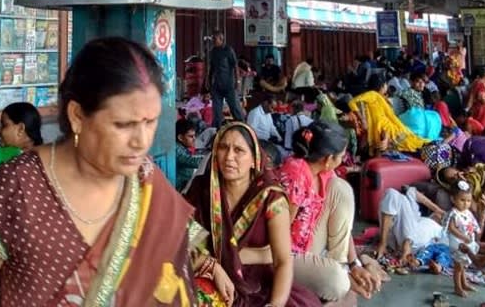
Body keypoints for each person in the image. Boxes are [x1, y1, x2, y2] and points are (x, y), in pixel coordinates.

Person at [0, 37, 199, 306]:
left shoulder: (148, 185)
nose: (141, 141)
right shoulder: (16, 188)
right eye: (123, 125)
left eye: (150, 122)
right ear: (77, 115)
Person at [185, 122, 320, 307]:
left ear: (254, 159)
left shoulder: (271, 197)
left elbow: (283, 261)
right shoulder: (202, 189)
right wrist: (213, 267)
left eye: (239, 150)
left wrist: (275, 304)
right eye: (223, 147)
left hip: (255, 283)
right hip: (207, 272)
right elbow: (187, 238)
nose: (229, 157)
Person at [273, 120, 383, 301]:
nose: (343, 159)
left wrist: (354, 264)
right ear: (328, 159)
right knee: (337, 283)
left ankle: (340, 267)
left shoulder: (323, 172)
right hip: (285, 253)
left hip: (305, 241)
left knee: (342, 189)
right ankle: (337, 274)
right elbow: (279, 237)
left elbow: (344, 228)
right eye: (341, 155)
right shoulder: (296, 176)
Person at [349, 75, 428, 155]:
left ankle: (423, 146)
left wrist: (403, 128)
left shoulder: (379, 97)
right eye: (386, 84)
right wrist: (362, 119)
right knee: (409, 140)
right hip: (384, 127)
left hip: (386, 127)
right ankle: (424, 147)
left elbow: (391, 116)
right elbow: (351, 102)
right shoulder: (373, 94)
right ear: (382, 86)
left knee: (409, 139)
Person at [373, 185, 445, 265]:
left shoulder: (438, 228)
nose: (439, 215)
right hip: (394, 239)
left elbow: (440, 249)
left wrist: (407, 244)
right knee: (391, 194)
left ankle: (386, 244)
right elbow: (412, 192)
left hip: (411, 243)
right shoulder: (416, 215)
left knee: (392, 193)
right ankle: (384, 243)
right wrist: (438, 209)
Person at [442, 183, 480, 297]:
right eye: (462, 200)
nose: (465, 203)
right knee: (458, 267)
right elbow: (451, 228)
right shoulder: (453, 213)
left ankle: (464, 283)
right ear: (453, 199)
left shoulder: (468, 212)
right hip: (458, 244)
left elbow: (473, 224)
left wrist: (475, 234)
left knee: (463, 265)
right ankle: (457, 287)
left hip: (467, 242)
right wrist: (463, 237)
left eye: (468, 201)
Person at [208, 30, 245, 128]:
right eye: (212, 39)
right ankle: (217, 131)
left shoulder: (228, 50)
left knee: (235, 109)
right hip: (217, 86)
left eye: (214, 39)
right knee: (216, 111)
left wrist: (238, 81)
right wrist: (208, 81)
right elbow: (211, 68)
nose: (213, 41)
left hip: (229, 85)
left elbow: (235, 66)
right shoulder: (213, 52)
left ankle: (242, 128)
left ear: (221, 39)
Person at [398, 72, 443, 142]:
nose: (421, 84)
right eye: (418, 82)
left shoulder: (425, 93)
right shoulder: (407, 92)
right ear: (411, 82)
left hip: (423, 120)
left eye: (422, 82)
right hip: (413, 121)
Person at [246, 93, 285, 163]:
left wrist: (279, 138)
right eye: (271, 107)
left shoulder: (268, 113)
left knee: (281, 153)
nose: (272, 110)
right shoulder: (255, 113)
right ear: (265, 103)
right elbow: (250, 131)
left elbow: (272, 128)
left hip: (267, 142)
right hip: (259, 143)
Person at [174, 118, 204, 192]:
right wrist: (209, 158)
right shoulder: (176, 148)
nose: (194, 139)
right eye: (191, 136)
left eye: (194, 136)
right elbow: (190, 161)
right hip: (179, 189)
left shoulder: (182, 147)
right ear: (180, 137)